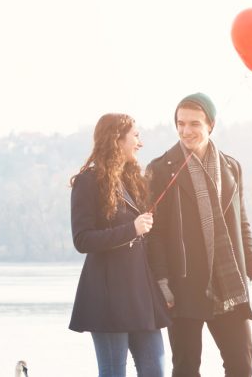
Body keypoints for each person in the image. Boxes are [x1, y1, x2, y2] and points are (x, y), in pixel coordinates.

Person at [146, 93, 252, 377]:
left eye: (194, 124)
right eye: (180, 123)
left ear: (210, 125)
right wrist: (162, 281)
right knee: (186, 368)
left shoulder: (231, 167)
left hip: (228, 284)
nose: (186, 131)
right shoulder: (160, 169)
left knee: (242, 365)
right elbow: (155, 234)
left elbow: (241, 224)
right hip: (182, 287)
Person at [68, 113, 171, 377]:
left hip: (141, 295)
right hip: (108, 298)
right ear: (117, 139)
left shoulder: (133, 180)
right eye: (135, 136)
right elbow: (82, 240)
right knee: (113, 372)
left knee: (156, 371)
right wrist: (131, 230)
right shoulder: (87, 181)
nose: (140, 142)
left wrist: (163, 282)